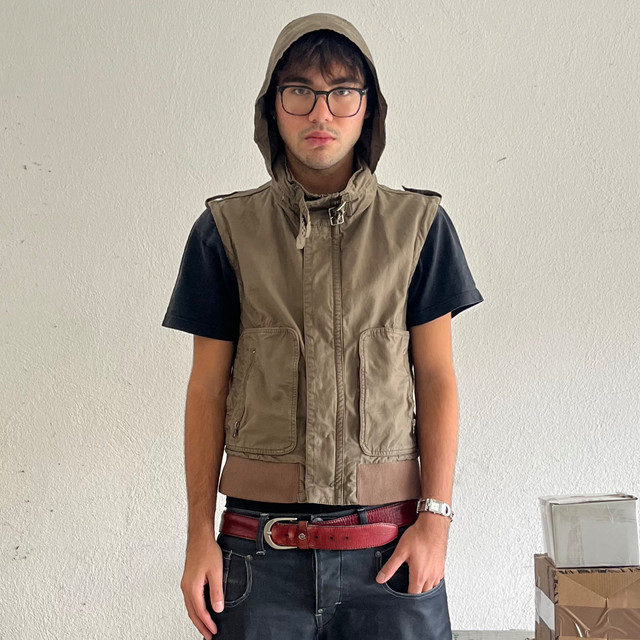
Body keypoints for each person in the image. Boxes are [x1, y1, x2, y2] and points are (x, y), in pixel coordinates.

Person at [162, 13, 483, 640]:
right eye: (299, 91)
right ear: (272, 107)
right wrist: (198, 534)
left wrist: (436, 522)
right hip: (257, 557)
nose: (320, 112)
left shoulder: (419, 228)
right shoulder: (225, 232)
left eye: (342, 92)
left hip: (390, 554)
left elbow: (437, 379)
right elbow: (206, 389)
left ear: (368, 109)